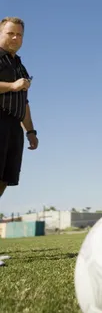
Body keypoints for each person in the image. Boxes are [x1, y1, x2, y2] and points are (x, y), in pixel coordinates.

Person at [0, 17, 38, 198]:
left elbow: (23, 102)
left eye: (19, 35)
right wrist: (11, 86)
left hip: (14, 127)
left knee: (6, 178)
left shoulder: (20, 67)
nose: (15, 38)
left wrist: (30, 131)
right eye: (10, 33)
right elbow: (15, 88)